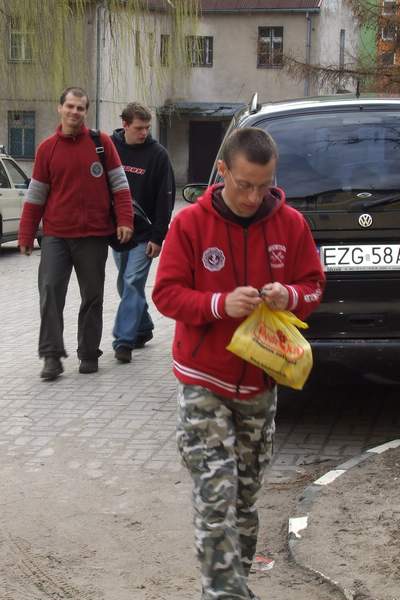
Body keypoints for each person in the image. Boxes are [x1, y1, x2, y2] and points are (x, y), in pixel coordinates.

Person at [152, 128, 325, 600]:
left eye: (263, 186)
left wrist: (289, 294)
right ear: (222, 170)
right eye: (244, 184)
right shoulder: (190, 224)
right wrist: (217, 304)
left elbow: (313, 284)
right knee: (215, 497)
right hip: (203, 382)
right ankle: (224, 594)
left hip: (260, 385)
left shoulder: (290, 224)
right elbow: (165, 294)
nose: (253, 196)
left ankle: (235, 583)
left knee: (244, 501)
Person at [18, 86, 133, 381]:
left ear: (86, 112)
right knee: (50, 293)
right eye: (70, 106)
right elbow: (36, 196)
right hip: (56, 235)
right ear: (60, 108)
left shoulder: (101, 143)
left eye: (80, 108)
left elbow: (120, 187)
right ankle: (51, 356)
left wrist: (125, 220)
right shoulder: (47, 149)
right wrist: (26, 234)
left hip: (94, 235)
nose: (74, 112)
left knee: (92, 296)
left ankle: (89, 353)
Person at [110, 102, 175, 363]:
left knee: (132, 281)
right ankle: (143, 325)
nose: (144, 133)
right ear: (125, 125)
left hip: (145, 234)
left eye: (147, 128)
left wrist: (158, 237)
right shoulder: (111, 149)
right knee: (124, 284)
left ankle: (123, 341)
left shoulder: (158, 155)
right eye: (139, 128)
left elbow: (165, 199)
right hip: (117, 232)